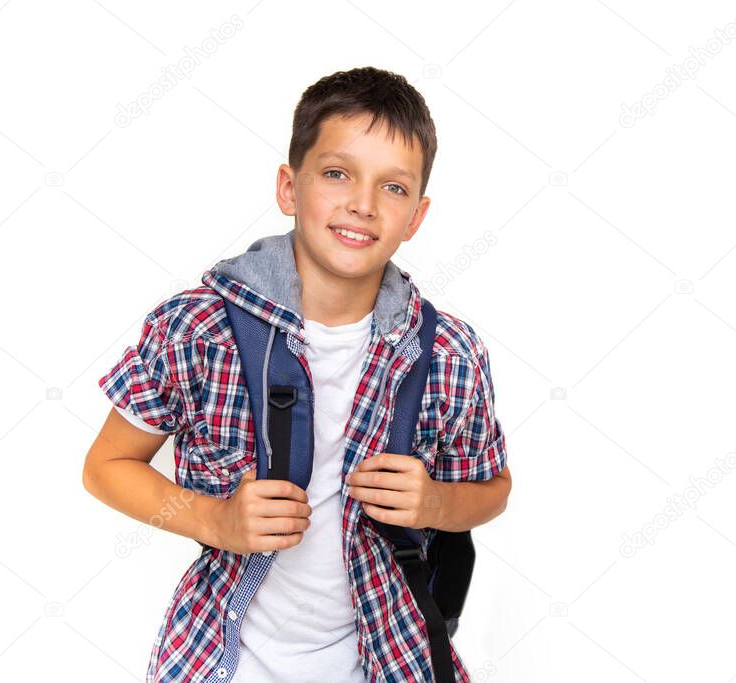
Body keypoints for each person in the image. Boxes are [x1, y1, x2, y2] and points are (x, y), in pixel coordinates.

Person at [82, 65, 511, 683]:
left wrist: (438, 500)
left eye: (393, 188)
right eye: (337, 174)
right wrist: (216, 520)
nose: (362, 204)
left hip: (394, 657)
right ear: (289, 187)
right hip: (221, 656)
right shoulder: (198, 330)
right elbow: (106, 467)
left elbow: (492, 490)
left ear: (416, 217)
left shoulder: (448, 352)